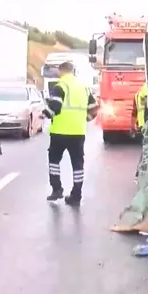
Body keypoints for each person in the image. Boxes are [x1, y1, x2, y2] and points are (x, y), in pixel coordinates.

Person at [43, 61, 99, 205]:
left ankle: (57, 189)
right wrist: (85, 119)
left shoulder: (60, 86)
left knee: (54, 161)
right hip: (78, 133)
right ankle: (76, 195)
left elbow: (55, 106)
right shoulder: (84, 88)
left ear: (61, 71)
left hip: (59, 133)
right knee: (78, 164)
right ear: (72, 71)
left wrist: (45, 114)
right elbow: (94, 109)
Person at [132, 81, 148, 183]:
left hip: (142, 125)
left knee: (146, 150)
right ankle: (139, 174)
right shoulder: (147, 89)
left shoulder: (138, 93)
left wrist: (133, 126)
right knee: (147, 151)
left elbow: (134, 112)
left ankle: (139, 174)